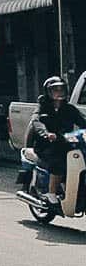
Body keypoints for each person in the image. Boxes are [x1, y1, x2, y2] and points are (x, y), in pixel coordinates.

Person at [28, 76, 86, 206]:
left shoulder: (69, 109)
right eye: (55, 90)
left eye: (61, 89)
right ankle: (51, 193)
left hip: (65, 142)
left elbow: (82, 121)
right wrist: (46, 134)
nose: (59, 93)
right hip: (47, 145)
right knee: (59, 162)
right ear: (48, 92)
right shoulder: (42, 108)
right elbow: (36, 122)